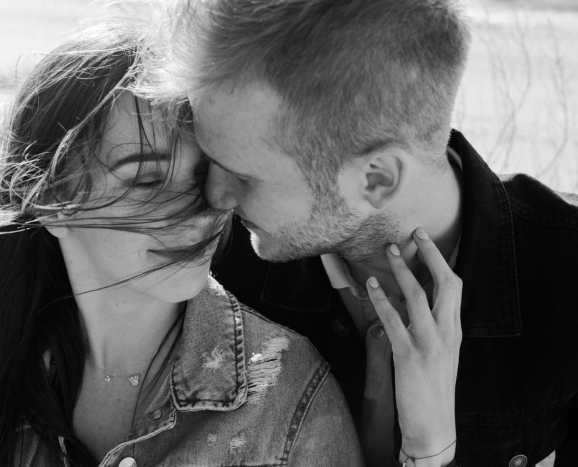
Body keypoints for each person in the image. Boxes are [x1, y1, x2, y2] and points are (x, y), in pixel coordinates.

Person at [0, 28, 367, 467]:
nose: (197, 209)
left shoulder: (288, 397)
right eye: (147, 178)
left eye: (202, 175)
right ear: (51, 201)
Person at [143, 0, 578, 466]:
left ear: (377, 179)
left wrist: (431, 449)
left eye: (244, 176)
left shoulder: (566, 284)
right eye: (211, 160)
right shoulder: (215, 268)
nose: (214, 198)